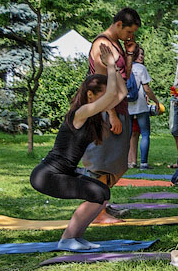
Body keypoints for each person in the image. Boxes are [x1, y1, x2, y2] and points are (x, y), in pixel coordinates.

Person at [30, 60, 128, 250]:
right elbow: (110, 96)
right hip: (48, 175)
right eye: (102, 97)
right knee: (98, 192)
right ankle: (66, 239)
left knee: (102, 191)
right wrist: (108, 67)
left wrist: (114, 69)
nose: (107, 102)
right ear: (90, 95)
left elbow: (121, 94)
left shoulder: (92, 116)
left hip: (62, 172)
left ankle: (76, 237)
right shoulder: (80, 112)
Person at [80, 8, 141, 224]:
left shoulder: (117, 46)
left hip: (120, 107)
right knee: (101, 163)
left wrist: (129, 54)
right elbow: (99, 83)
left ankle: (101, 204)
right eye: (129, 32)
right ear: (118, 25)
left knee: (116, 163)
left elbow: (124, 77)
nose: (131, 37)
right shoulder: (101, 45)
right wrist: (112, 115)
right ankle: (96, 212)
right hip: (107, 111)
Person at [126, 41, 159, 170]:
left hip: (127, 104)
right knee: (145, 133)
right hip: (140, 104)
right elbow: (147, 89)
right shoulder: (141, 68)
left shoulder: (125, 67)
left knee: (127, 135)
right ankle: (143, 163)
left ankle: (127, 162)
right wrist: (156, 101)